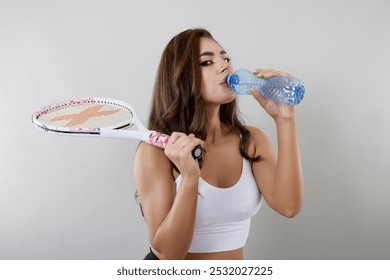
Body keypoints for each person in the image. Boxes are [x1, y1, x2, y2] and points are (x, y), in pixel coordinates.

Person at [133, 28, 303, 260]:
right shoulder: (156, 152)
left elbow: (289, 206)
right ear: (182, 77)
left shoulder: (251, 141)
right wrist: (190, 178)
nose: (225, 66)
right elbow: (167, 255)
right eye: (206, 62)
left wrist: (285, 120)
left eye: (225, 58)